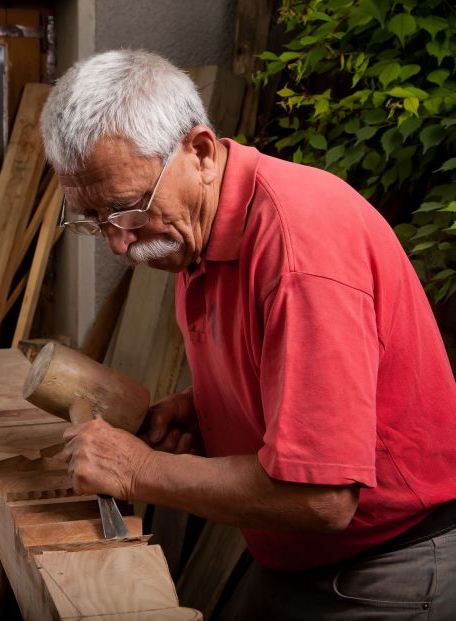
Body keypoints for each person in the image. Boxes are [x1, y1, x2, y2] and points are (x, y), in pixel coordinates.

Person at [40, 49, 456, 619]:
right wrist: (207, 409)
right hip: (300, 557)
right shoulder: (197, 233)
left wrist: (136, 469)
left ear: (202, 152)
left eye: (127, 209)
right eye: (92, 221)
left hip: (391, 564)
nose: (118, 243)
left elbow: (323, 497)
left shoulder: (300, 251)